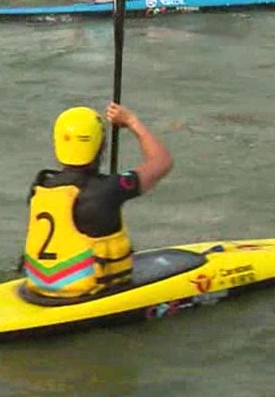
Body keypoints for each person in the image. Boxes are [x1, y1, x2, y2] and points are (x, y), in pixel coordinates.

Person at [21, 103, 174, 300]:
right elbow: (162, 162)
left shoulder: (41, 187)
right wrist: (131, 121)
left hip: (40, 286)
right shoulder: (108, 189)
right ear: (101, 146)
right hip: (88, 290)